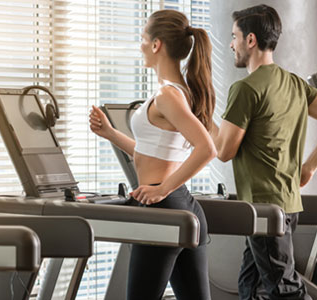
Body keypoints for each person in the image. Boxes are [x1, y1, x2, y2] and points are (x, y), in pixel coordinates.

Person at [209, 4, 317, 300]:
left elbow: (223, 150)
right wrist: (309, 166)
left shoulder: (246, 89)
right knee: (250, 285)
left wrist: (201, 119)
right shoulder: (295, 84)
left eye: (234, 36)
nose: (230, 44)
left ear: (250, 40)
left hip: (264, 207)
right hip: (286, 205)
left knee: (284, 290)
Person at [89, 9, 216, 300]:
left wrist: (161, 190)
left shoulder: (168, 96)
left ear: (157, 44)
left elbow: (207, 148)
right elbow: (153, 155)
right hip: (182, 205)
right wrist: (111, 134)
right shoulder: (181, 92)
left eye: (143, 38)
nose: (141, 44)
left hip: (164, 211)